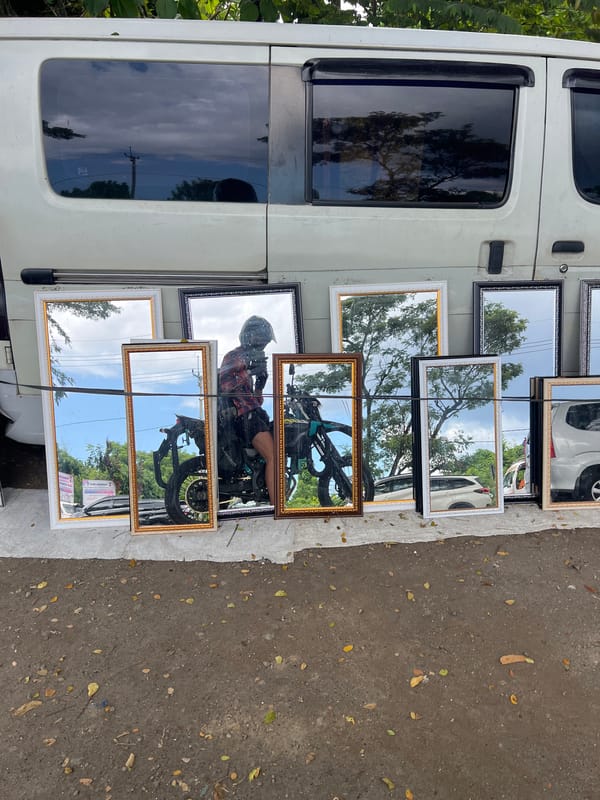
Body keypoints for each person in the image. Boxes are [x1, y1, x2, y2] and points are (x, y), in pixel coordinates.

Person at [219, 316, 276, 504]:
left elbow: (255, 401)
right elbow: (225, 386)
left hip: (253, 414)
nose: (264, 346)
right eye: (262, 341)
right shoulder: (234, 357)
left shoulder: (252, 358)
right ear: (251, 337)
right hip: (243, 418)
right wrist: (248, 372)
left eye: (266, 343)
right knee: (273, 457)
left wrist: (260, 384)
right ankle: (278, 507)